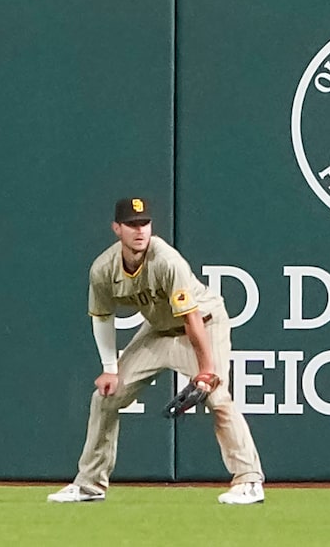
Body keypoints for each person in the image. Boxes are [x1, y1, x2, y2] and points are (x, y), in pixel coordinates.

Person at [51, 194, 264, 506]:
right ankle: (90, 484)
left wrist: (206, 371)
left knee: (217, 396)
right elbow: (102, 318)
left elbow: (191, 319)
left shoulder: (166, 260)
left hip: (204, 324)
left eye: (145, 223)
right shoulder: (103, 269)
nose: (140, 231)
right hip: (157, 332)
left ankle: (249, 481)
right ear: (116, 228)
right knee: (105, 397)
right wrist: (110, 368)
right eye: (132, 224)